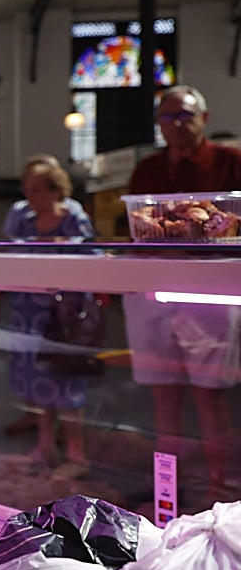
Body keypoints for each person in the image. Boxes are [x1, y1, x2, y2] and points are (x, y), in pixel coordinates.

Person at [122, 85, 241, 500]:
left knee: (211, 393)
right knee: (163, 392)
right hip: (155, 288)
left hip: (208, 291)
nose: (175, 125)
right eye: (166, 118)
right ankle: (166, 484)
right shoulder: (149, 169)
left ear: (203, 118)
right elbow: (134, 226)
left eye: (184, 116)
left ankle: (218, 485)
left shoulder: (230, 162)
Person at [1, 158, 96, 480]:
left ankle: (76, 453)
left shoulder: (73, 219)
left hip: (63, 314)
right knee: (36, 382)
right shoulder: (25, 221)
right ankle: (45, 445)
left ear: (56, 189)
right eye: (27, 190)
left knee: (65, 383)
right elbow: (9, 256)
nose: (31, 197)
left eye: (38, 190)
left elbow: (91, 258)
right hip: (28, 311)